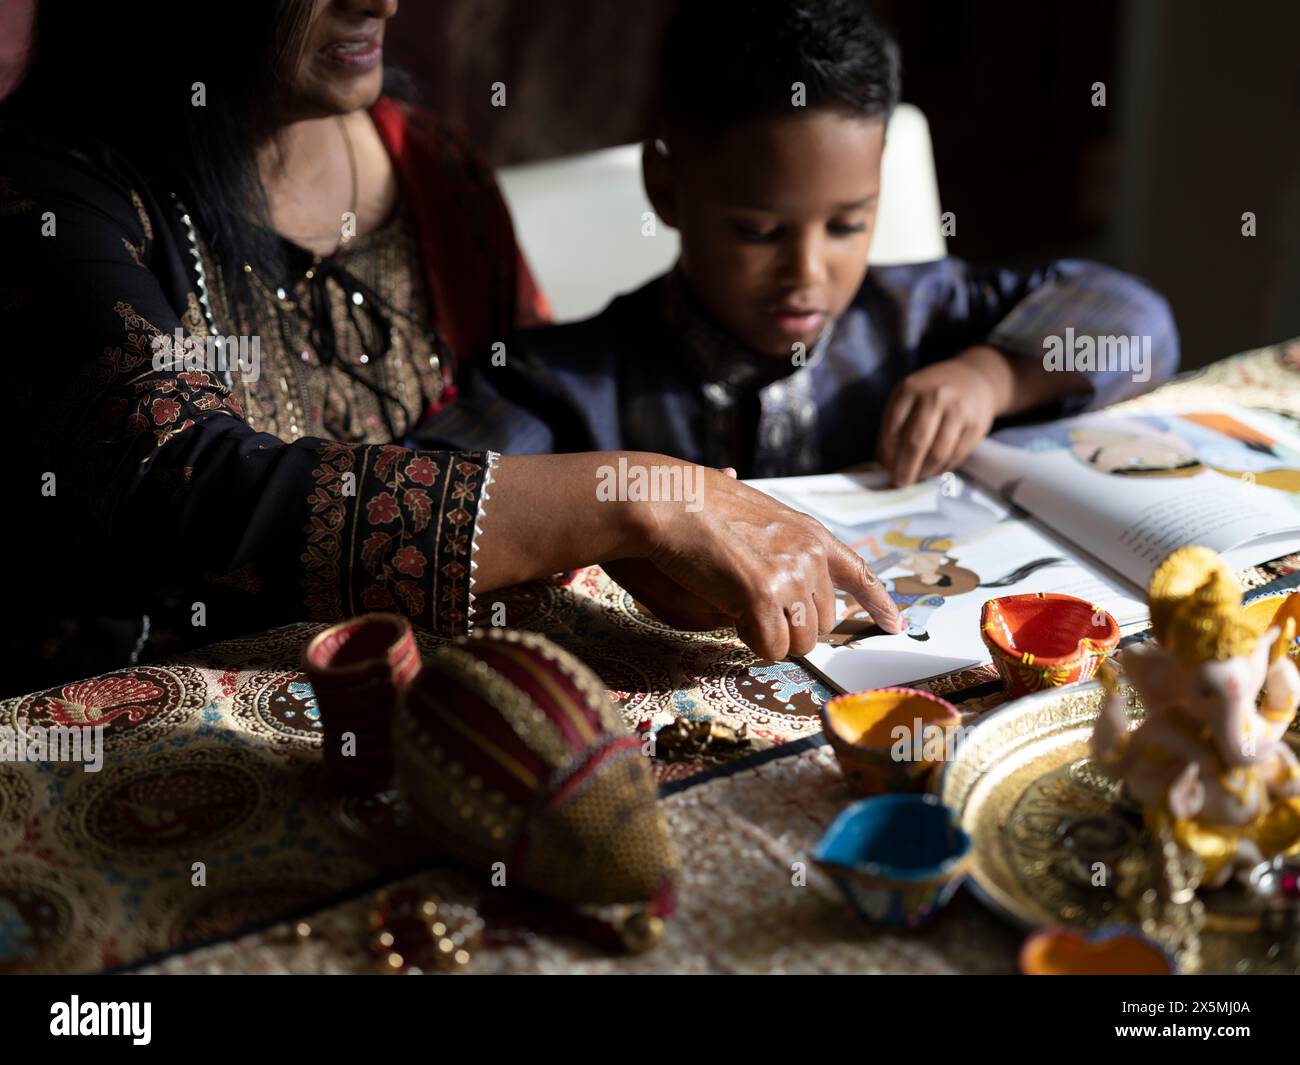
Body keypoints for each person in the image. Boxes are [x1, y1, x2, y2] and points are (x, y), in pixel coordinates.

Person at [0, 0, 902, 696]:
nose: (382, 2)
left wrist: (618, 533)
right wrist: (629, 499)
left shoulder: (435, 170)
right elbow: (185, 485)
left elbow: (519, 443)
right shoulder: (45, 201)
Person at [422, 0, 1180, 485]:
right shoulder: (570, 386)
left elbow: (1139, 325)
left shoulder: (926, 315)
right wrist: (608, 512)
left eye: (848, 224)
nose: (807, 272)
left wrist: (992, 377)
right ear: (667, 188)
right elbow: (424, 497)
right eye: (759, 230)